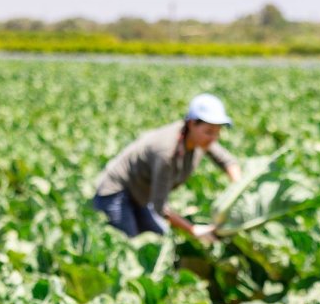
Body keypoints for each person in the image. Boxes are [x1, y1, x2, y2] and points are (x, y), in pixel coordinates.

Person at [93, 93, 242, 243]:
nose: (213, 138)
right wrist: (193, 229)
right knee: (129, 244)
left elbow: (227, 161)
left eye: (217, 132)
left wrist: (239, 191)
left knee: (161, 238)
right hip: (115, 193)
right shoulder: (167, 152)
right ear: (191, 124)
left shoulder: (199, 140)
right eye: (209, 131)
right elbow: (160, 207)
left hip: (141, 195)